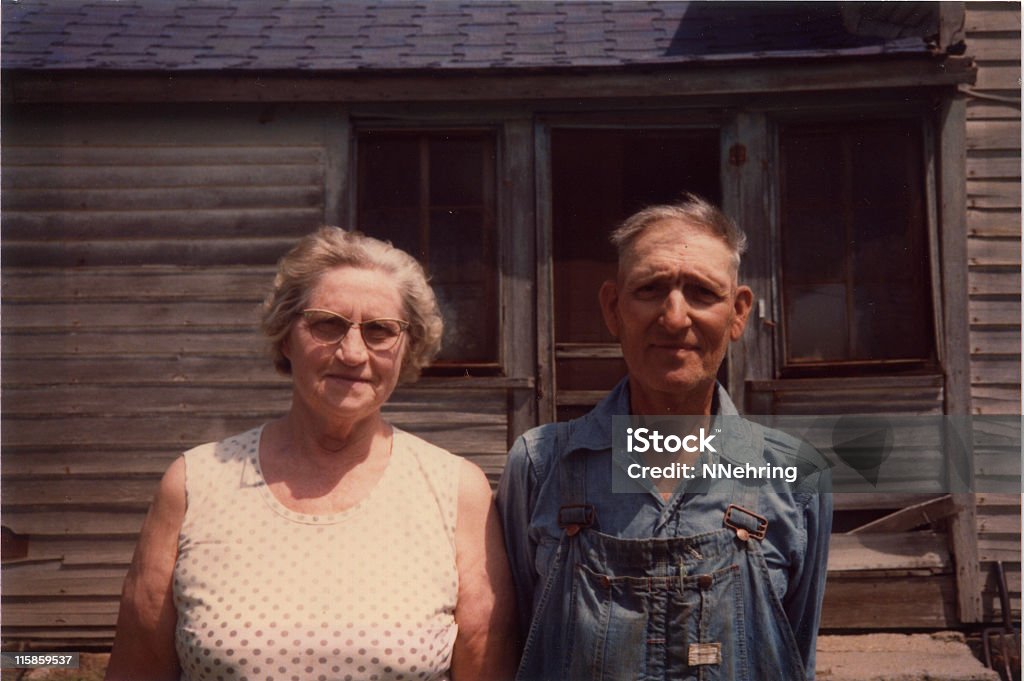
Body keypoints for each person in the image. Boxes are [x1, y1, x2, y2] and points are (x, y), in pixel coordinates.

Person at [107, 227, 519, 681]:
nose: (353, 352)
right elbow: (138, 666)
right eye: (327, 323)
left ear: (408, 347)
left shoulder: (455, 490)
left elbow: (486, 664)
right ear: (287, 336)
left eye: (381, 331)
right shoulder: (194, 484)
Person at [497, 196, 832, 681]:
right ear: (613, 308)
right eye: (651, 289)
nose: (675, 318)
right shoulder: (540, 464)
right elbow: (519, 643)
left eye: (701, 292)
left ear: (738, 313)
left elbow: (792, 655)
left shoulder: (797, 477)